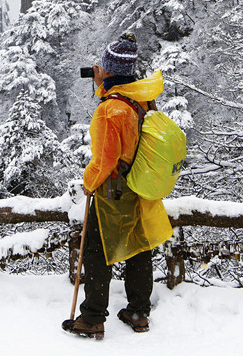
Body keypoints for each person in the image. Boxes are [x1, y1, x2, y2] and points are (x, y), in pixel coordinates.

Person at [62, 32, 173, 339]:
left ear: (109, 69)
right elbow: (124, 114)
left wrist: (88, 182)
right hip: (140, 185)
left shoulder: (110, 110)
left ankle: (93, 318)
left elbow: (106, 158)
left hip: (113, 189)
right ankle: (138, 313)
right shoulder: (142, 98)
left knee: (98, 250)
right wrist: (104, 85)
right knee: (138, 246)